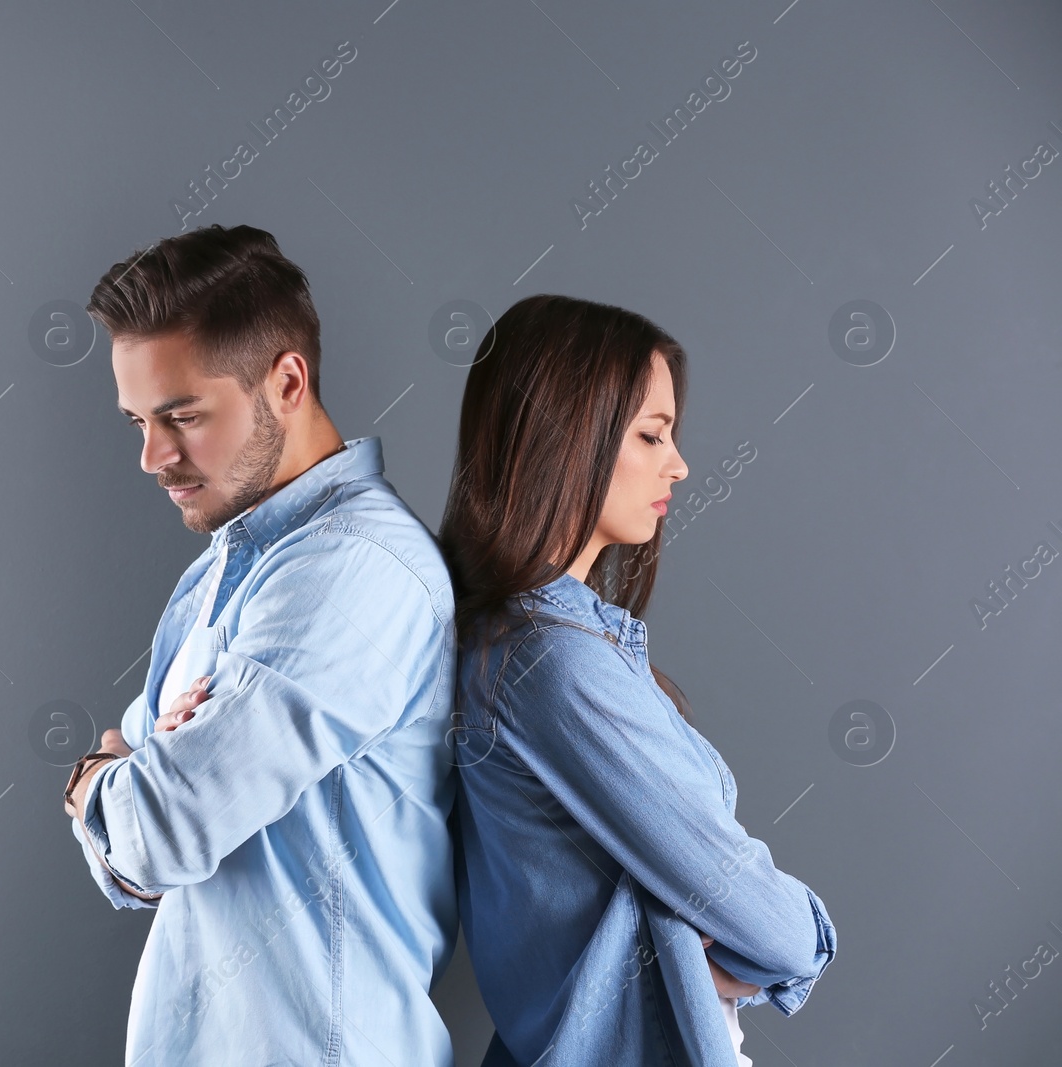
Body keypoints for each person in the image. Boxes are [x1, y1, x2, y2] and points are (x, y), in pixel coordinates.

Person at [63, 223, 460, 1065]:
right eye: (137, 420)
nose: (150, 456)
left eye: (181, 416)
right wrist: (133, 790)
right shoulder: (231, 565)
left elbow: (160, 830)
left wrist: (100, 780)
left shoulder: (356, 570)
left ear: (286, 381)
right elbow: (130, 865)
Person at [437, 293, 836, 1065]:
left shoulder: (525, 643)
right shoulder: (551, 662)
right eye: (653, 434)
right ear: (565, 438)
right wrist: (801, 941)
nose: (679, 464)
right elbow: (772, 926)